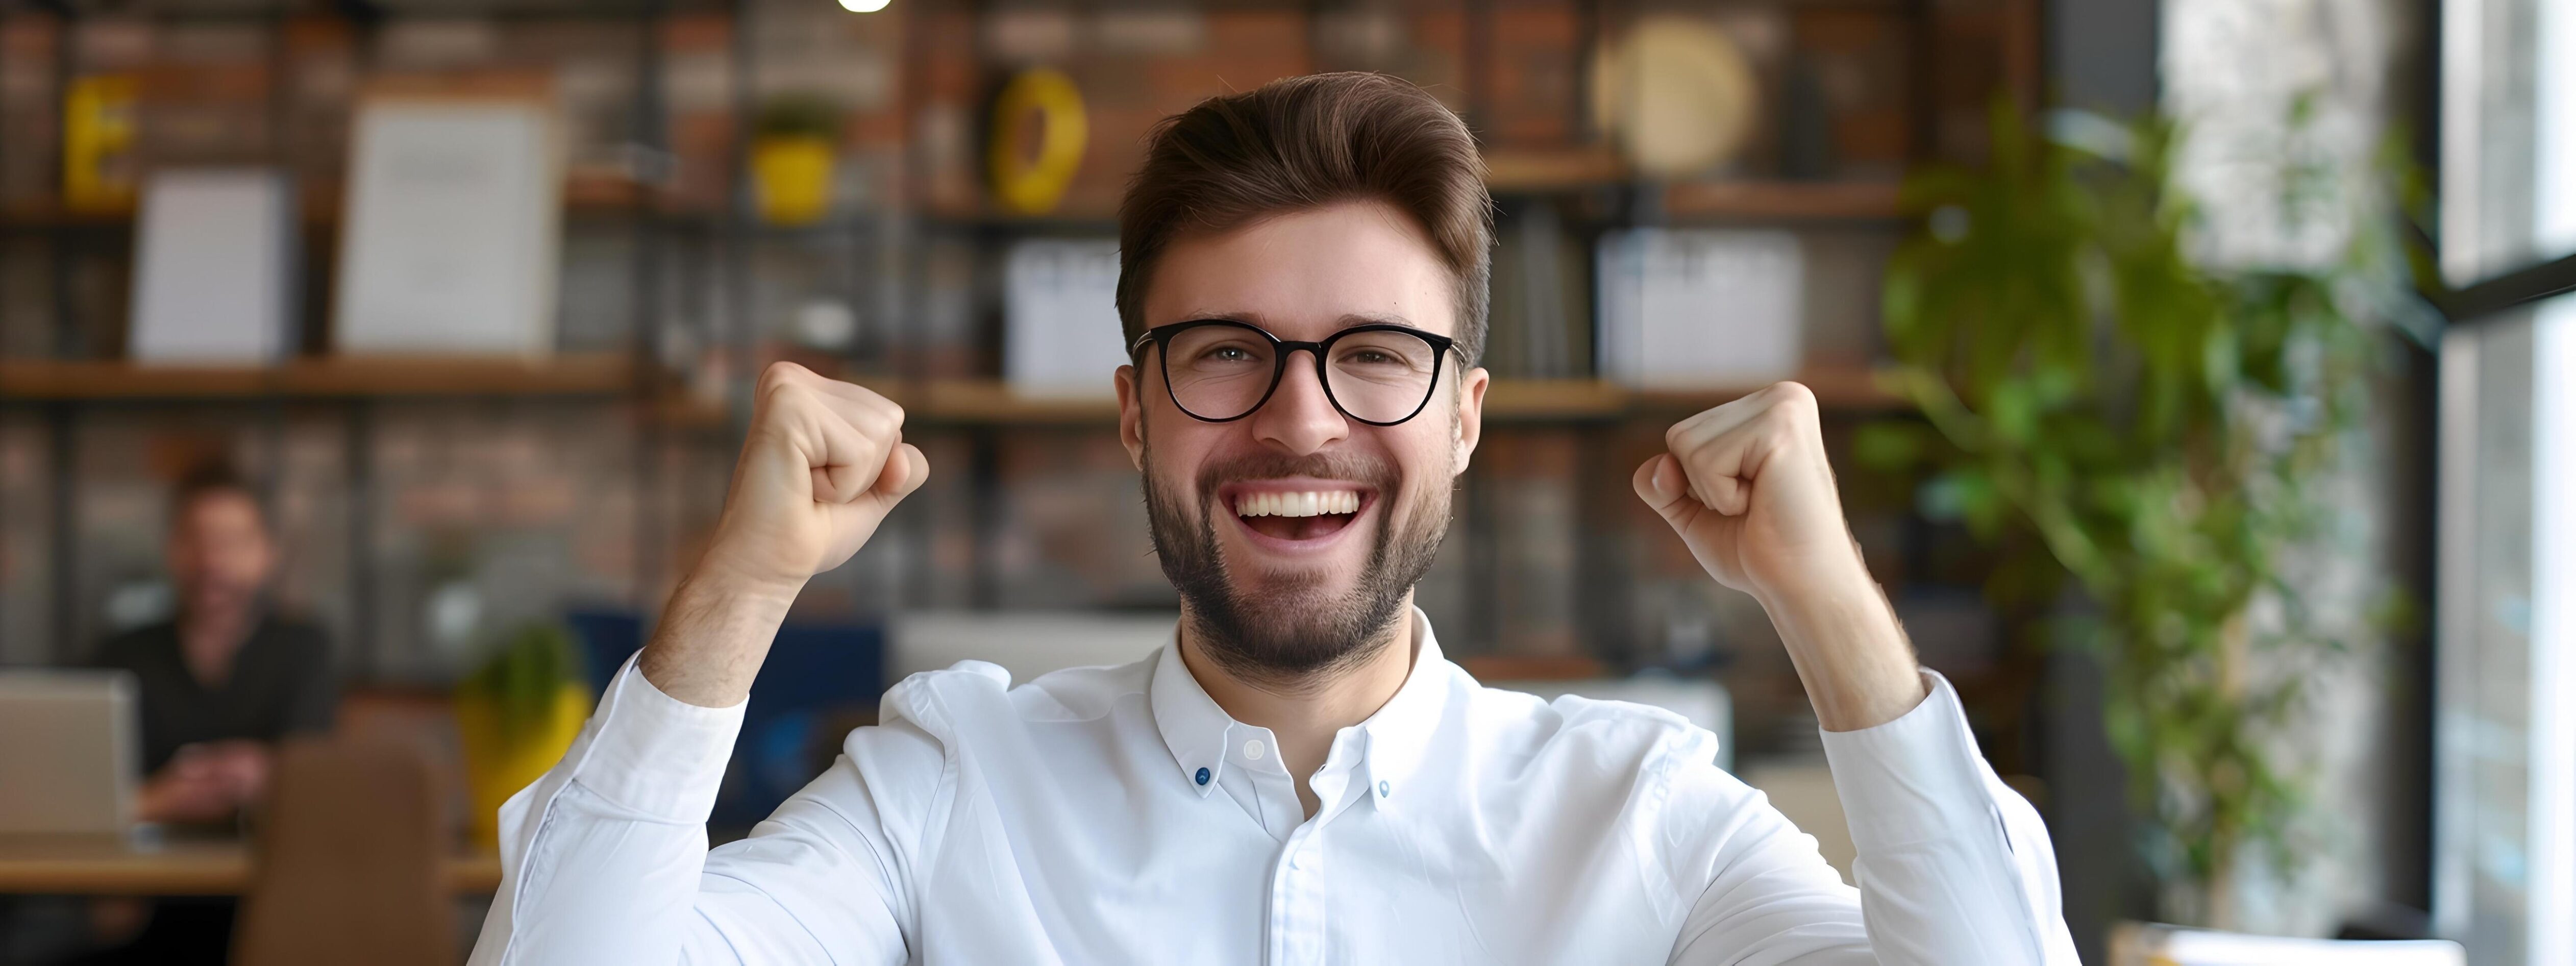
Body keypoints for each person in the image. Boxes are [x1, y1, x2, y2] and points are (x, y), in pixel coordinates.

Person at [469, 73, 2078, 964]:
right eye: (1223, 353)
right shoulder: (946, 791)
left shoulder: (1635, 812)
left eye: (1373, 356)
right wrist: (742, 583)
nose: (1298, 418)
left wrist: (1825, 606)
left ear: (1462, 413)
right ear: (1132, 412)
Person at [82, 462, 335, 964]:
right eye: (195, 539)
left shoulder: (304, 647)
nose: (212, 560)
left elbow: (318, 779)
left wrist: (266, 775)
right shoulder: (122, 654)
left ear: (267, 553)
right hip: (145, 906)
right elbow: (78, 793)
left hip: (275, 903)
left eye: (233, 541)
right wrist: (151, 801)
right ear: (171, 550)